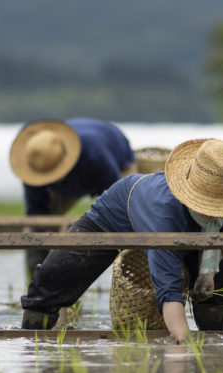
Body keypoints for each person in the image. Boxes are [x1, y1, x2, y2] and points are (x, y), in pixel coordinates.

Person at [20, 138, 223, 342]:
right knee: (50, 280)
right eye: (207, 204)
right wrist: (185, 344)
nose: (213, 211)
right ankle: (30, 341)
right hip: (111, 220)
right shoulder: (164, 213)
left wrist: (208, 273)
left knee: (221, 286)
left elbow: (215, 240)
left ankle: (214, 337)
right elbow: (168, 291)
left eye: (220, 205)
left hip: (186, 227)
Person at [10, 118, 136, 275]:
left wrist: (86, 231)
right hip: (71, 182)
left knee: (128, 218)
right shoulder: (35, 161)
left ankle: (132, 279)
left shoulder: (94, 154)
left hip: (118, 164)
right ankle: (37, 286)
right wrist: (46, 235)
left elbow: (115, 198)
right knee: (31, 231)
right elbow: (36, 212)